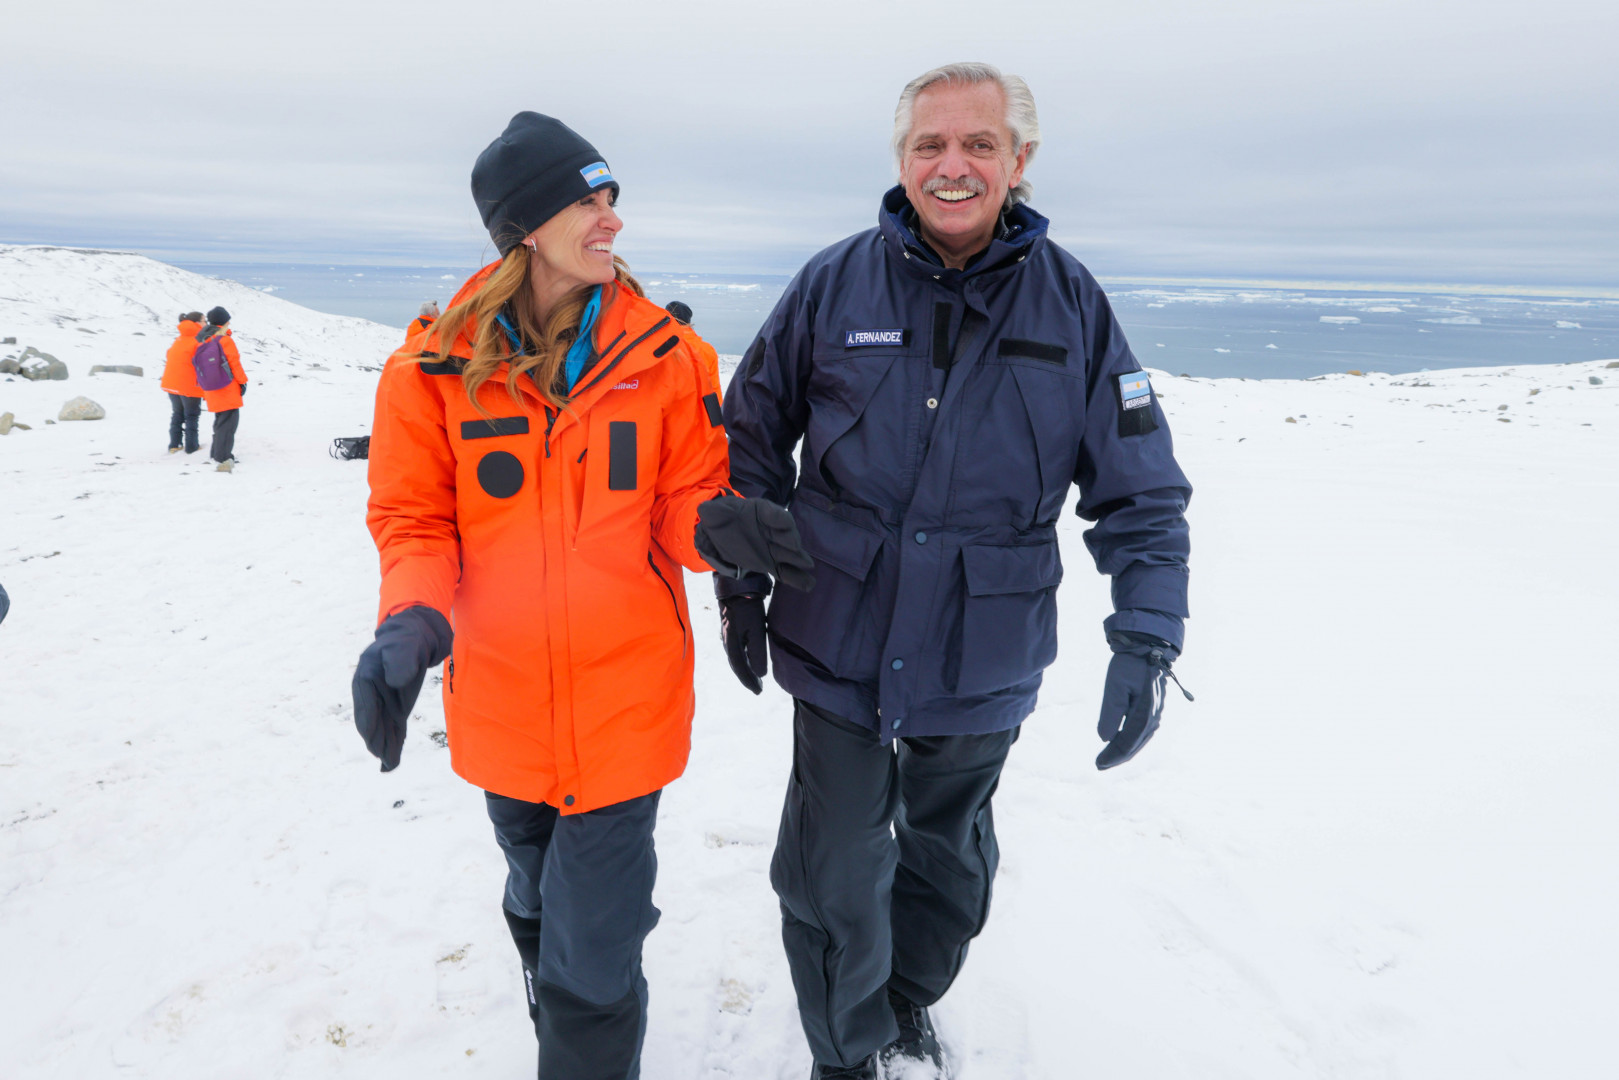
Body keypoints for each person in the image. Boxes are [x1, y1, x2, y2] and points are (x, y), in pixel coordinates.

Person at [718, 63, 1194, 1079]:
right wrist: (741, 582)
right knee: (831, 866)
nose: (951, 165)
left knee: (944, 863)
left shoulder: (1073, 310)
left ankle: (900, 1001)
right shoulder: (831, 285)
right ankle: (844, 1052)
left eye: (978, 144)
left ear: (1018, 162)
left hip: (980, 649)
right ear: (900, 159)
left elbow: (1140, 490)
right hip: (836, 630)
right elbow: (749, 439)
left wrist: (1146, 633)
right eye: (930, 145)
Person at [351, 111, 811, 1080]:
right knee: (533, 889)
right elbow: (414, 525)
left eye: (612, 201)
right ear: (524, 226)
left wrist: (716, 530)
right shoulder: (428, 375)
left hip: (623, 708)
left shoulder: (668, 359)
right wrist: (410, 626)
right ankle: (540, 951)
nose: (610, 222)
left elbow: (685, 498)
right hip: (501, 704)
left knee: (594, 951)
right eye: (585, 202)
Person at [196, 307, 248, 472]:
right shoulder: (224, 340)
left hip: (211, 387)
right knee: (229, 423)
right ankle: (223, 456)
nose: (229, 323)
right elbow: (234, 364)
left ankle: (216, 452)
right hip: (226, 387)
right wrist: (243, 382)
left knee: (220, 421)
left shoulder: (204, 339)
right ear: (223, 322)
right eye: (227, 320)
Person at [161, 311, 206, 454]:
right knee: (191, 416)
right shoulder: (198, 341)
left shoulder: (179, 339)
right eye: (204, 321)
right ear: (197, 324)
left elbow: (169, 355)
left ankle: (174, 445)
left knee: (177, 414)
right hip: (188, 386)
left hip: (172, 384)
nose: (206, 324)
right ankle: (192, 446)